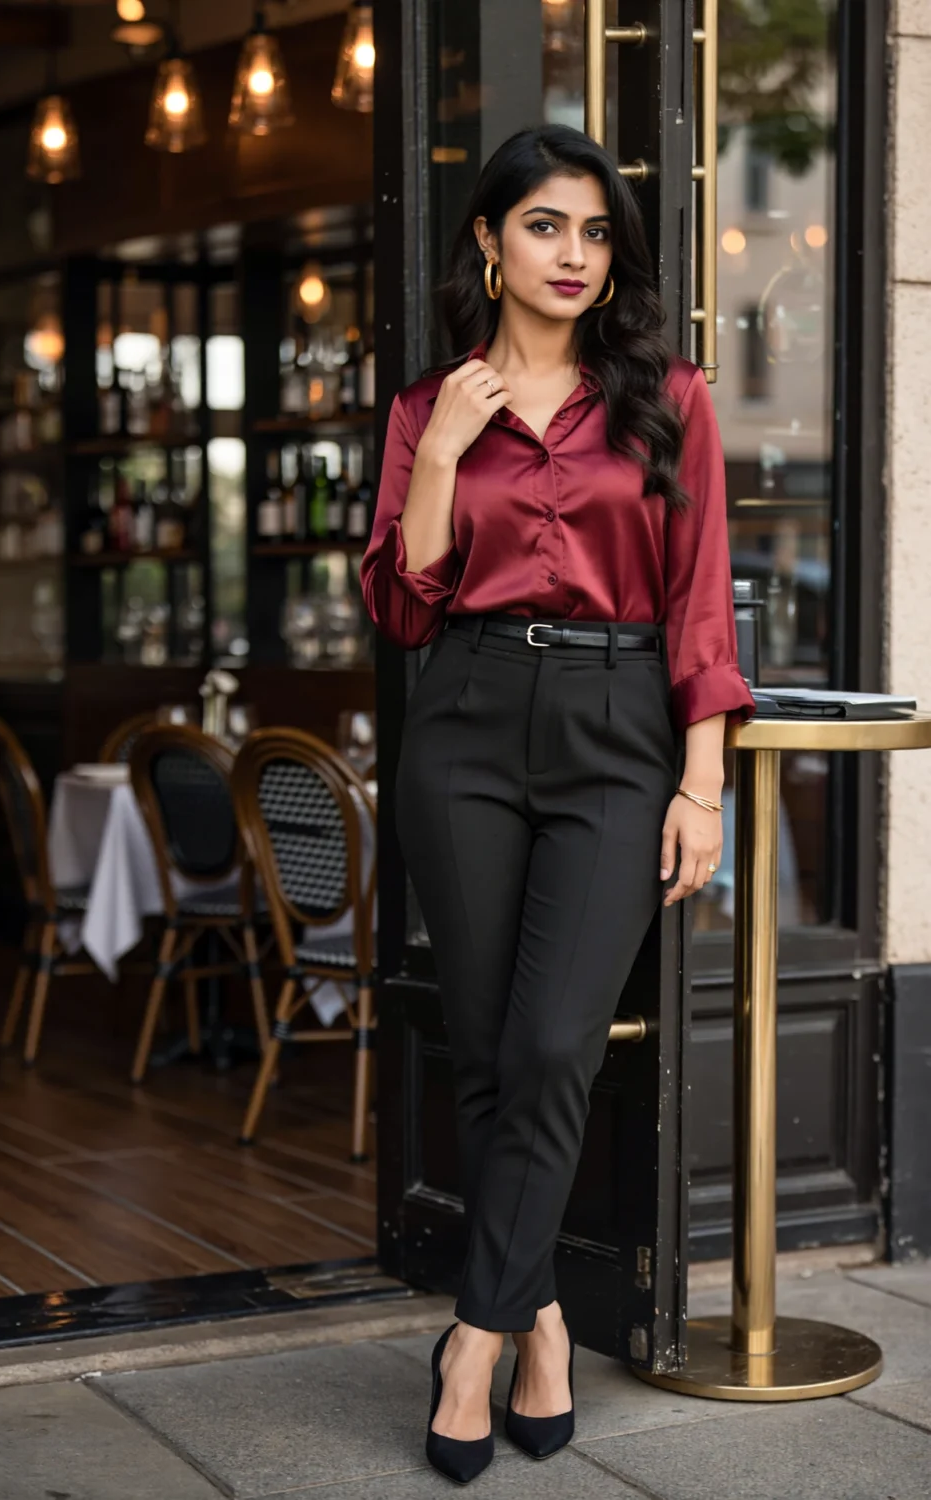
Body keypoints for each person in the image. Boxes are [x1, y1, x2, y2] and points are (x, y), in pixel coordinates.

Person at [359, 122, 755, 1484]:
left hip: (618, 725)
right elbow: (402, 611)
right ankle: (539, 1325)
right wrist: (437, 456)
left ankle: (471, 1336)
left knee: (549, 1045)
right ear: (489, 239)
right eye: (544, 225)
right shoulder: (428, 405)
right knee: (485, 1050)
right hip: (464, 718)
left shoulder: (669, 397)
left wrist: (701, 784)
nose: (573, 255)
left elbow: (700, 602)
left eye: (594, 231)